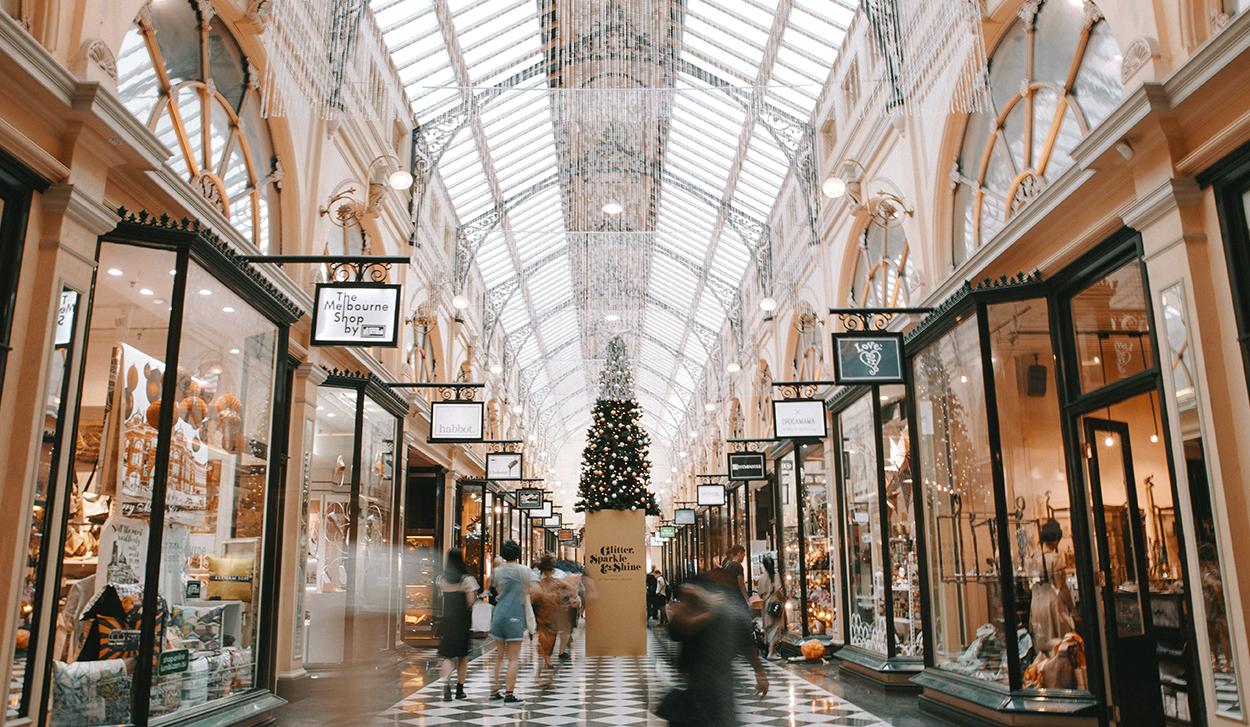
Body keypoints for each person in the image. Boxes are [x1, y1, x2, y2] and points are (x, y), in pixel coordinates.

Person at [660, 573, 768, 727]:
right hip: (700, 680)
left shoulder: (725, 608)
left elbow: (744, 641)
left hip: (718, 680)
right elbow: (678, 630)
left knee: (719, 718)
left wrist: (759, 672)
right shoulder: (697, 605)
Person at [489, 540, 531, 703]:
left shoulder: (497, 571)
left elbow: (495, 588)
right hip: (515, 614)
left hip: (499, 614)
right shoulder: (524, 571)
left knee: (499, 657)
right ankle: (509, 693)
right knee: (513, 658)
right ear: (518, 555)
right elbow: (532, 589)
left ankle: (494, 691)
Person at [530, 554, 579, 687]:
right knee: (548, 648)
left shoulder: (538, 583)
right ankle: (546, 677)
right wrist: (567, 600)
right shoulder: (557, 582)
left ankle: (542, 676)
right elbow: (572, 589)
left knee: (544, 648)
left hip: (543, 619)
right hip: (551, 619)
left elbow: (532, 598)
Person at [436, 548, 478, 701]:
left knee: (448, 655)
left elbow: (440, 597)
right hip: (462, 621)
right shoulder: (467, 580)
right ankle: (460, 689)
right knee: (462, 656)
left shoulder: (442, 579)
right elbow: (471, 601)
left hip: (447, 621)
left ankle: (446, 685)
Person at [757, 553, 783, 660]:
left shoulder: (762, 578)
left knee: (768, 626)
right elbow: (778, 589)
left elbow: (759, 593)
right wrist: (782, 598)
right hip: (775, 602)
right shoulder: (776, 576)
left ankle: (772, 650)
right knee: (775, 626)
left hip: (766, 604)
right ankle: (771, 652)